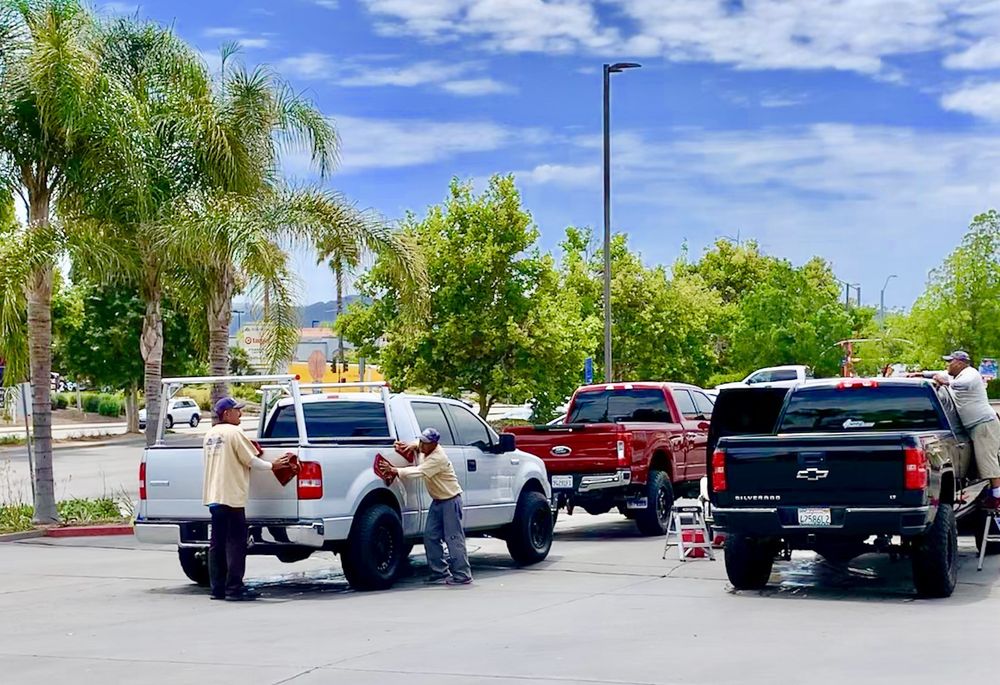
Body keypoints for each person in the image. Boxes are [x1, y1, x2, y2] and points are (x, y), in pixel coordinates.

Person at [203, 396, 279, 601]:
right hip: (232, 496)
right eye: (237, 410)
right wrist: (274, 466)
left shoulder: (210, 434)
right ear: (226, 414)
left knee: (217, 542)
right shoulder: (234, 432)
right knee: (236, 543)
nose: (241, 414)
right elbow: (251, 460)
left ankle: (217, 587)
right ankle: (234, 588)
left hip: (214, 495)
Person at [382, 428, 473, 586]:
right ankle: (439, 572)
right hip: (437, 501)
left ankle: (462, 574)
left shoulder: (438, 458)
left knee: (453, 538)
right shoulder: (426, 447)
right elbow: (417, 445)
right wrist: (410, 446)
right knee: (430, 537)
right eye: (421, 441)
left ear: (434, 444)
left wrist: (395, 470)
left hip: (450, 500)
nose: (422, 445)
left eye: (425, 443)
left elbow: (419, 471)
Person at [934, 351, 1000, 510]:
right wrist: (918, 374)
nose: (947, 365)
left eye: (950, 361)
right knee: (982, 463)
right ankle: (990, 494)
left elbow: (963, 384)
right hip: (974, 426)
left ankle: (996, 497)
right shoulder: (956, 375)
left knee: (987, 461)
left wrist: (945, 382)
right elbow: (938, 374)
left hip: (983, 424)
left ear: (960, 362)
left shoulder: (971, 374)